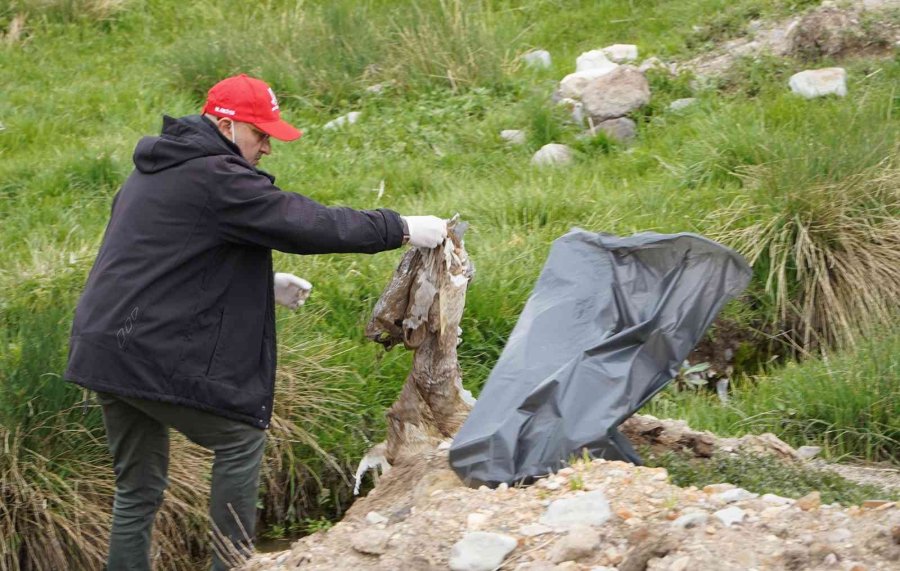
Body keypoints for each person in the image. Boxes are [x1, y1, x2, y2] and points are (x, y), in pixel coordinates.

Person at [64, 73, 447, 570]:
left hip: (104, 347)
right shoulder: (216, 176)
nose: (267, 146)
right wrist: (400, 228)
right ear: (225, 124)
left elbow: (162, 259)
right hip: (144, 350)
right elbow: (303, 222)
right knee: (240, 436)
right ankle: (234, 562)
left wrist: (260, 284)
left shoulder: (155, 169)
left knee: (137, 490)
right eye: (259, 133)